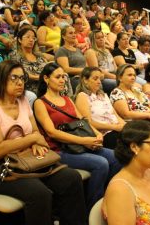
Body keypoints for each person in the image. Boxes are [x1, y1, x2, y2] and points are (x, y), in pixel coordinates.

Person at [0, 60, 86, 225]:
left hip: (27, 159)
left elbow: (35, 133)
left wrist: (35, 142)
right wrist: (31, 139)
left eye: (22, 78)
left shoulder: (23, 103)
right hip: (0, 166)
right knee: (39, 193)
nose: (20, 82)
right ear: (1, 79)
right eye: (14, 78)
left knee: (71, 178)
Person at [34, 63, 121, 210]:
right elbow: (51, 132)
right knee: (101, 164)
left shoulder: (67, 99)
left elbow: (83, 120)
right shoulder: (40, 102)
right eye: (57, 77)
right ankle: (93, 208)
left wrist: (96, 133)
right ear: (46, 79)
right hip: (59, 150)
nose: (62, 80)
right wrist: (84, 141)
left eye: (63, 76)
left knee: (116, 157)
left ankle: (108, 197)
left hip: (79, 145)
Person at [74, 67, 125, 149]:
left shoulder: (103, 95)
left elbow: (115, 115)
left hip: (116, 129)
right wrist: (114, 127)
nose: (99, 82)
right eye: (95, 79)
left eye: (100, 79)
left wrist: (125, 125)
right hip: (103, 134)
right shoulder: (82, 96)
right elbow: (88, 123)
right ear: (85, 80)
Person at [109, 64, 150, 135]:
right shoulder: (117, 92)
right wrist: (149, 115)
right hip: (135, 123)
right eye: (129, 75)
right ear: (120, 78)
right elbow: (126, 114)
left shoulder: (136, 90)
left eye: (134, 75)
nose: (133, 77)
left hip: (149, 118)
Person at [9, 27, 54, 95]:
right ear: (19, 40)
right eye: (28, 37)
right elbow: (19, 74)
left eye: (33, 38)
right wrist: (40, 78)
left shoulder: (39, 56)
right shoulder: (15, 55)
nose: (31, 40)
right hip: (28, 86)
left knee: (64, 76)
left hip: (46, 84)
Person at [85, 30, 117, 94]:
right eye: (98, 38)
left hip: (114, 75)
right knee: (120, 84)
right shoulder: (91, 52)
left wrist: (121, 75)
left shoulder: (107, 51)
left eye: (102, 37)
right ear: (93, 40)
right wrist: (114, 77)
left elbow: (115, 67)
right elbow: (96, 70)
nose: (101, 39)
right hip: (103, 78)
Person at [55, 25, 86, 92]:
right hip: (73, 79)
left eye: (74, 33)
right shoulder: (61, 50)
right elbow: (66, 69)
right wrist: (84, 70)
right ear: (63, 36)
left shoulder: (78, 50)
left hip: (85, 77)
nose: (74, 35)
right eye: (70, 33)